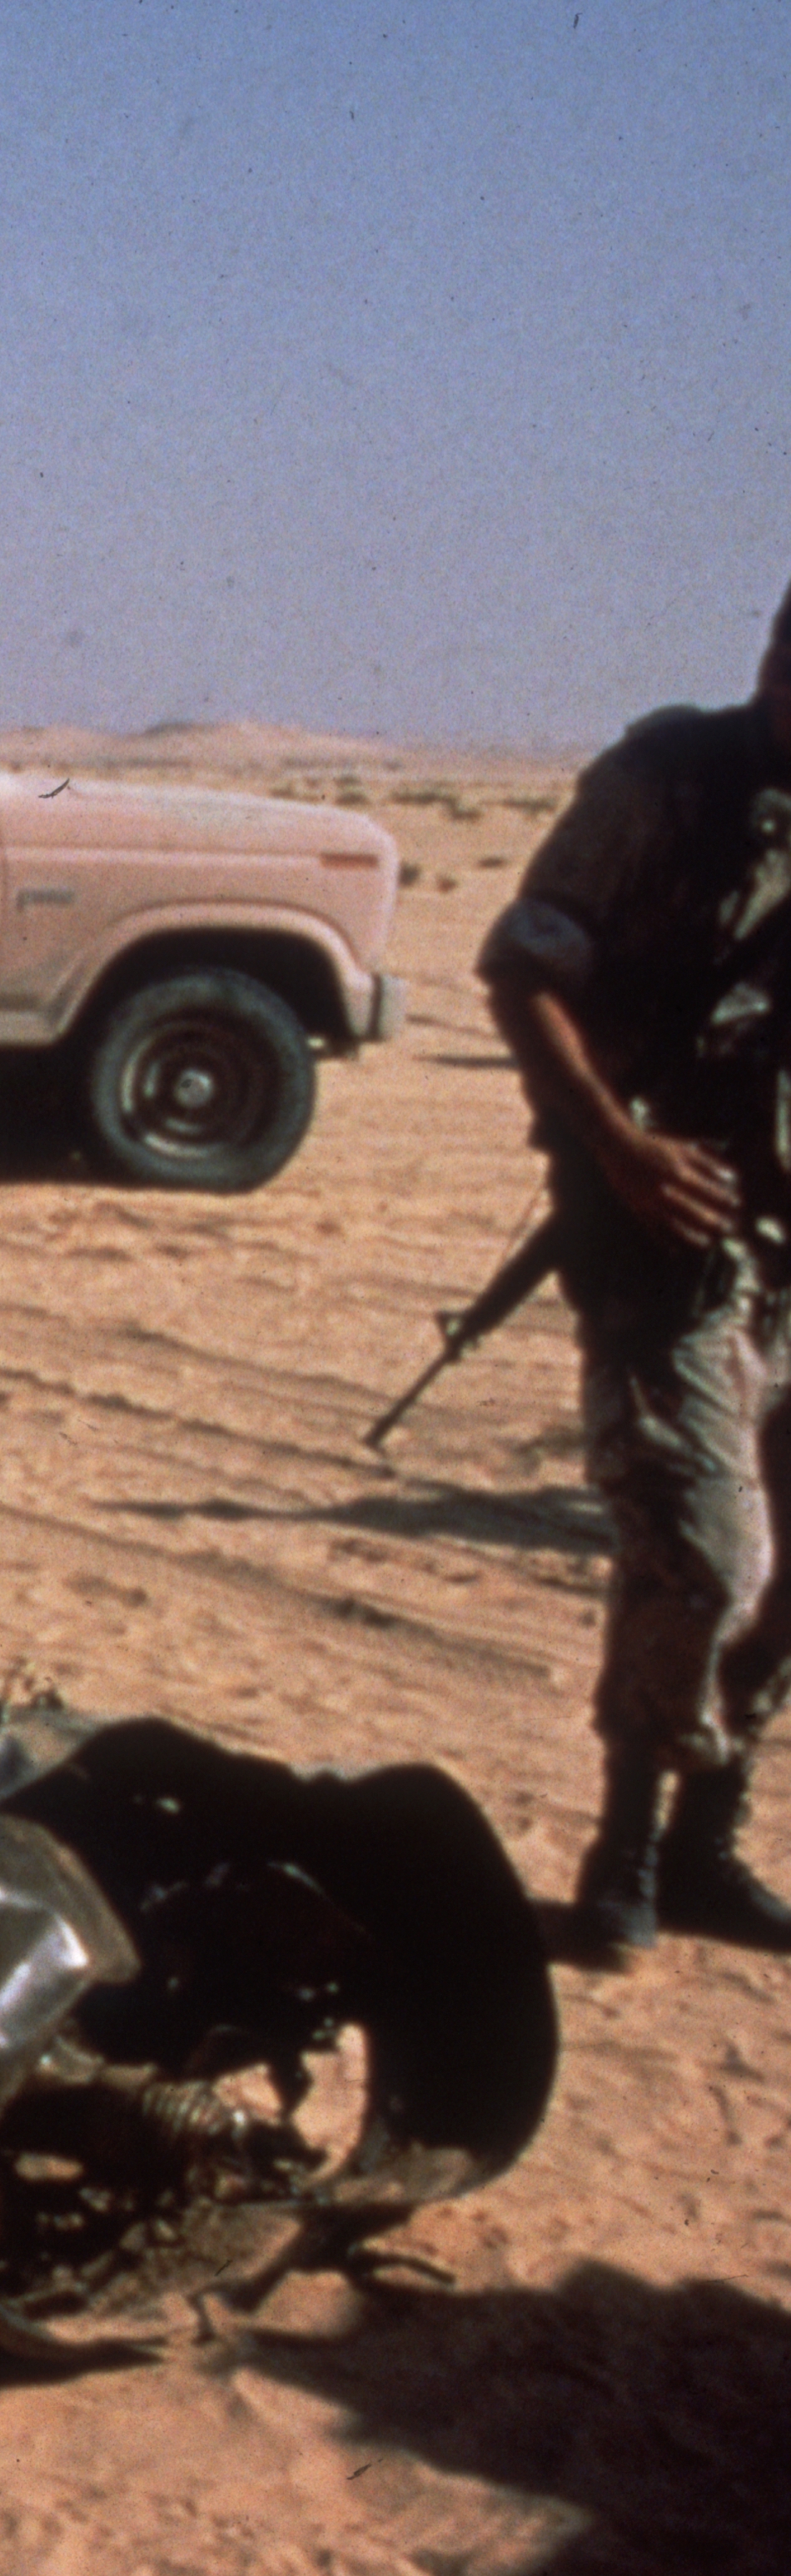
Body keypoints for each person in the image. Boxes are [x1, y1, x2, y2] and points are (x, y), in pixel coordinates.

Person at [479, 572, 791, 1961]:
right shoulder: (667, 780)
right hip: (662, 1216)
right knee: (704, 1549)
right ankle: (622, 1847)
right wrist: (613, 1146)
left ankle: (703, 1845)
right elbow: (520, 965)